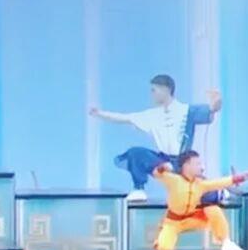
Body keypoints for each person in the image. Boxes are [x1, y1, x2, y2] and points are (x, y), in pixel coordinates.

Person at [89, 77, 223, 200]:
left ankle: (218, 193)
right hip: (162, 160)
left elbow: (212, 110)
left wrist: (216, 104)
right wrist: (100, 114)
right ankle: (139, 189)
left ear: (165, 90)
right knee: (136, 153)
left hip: (182, 162)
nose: (152, 94)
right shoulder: (152, 115)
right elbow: (125, 118)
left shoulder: (188, 110)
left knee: (200, 194)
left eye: (154, 90)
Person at [148, 154, 248, 250]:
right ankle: (160, 240)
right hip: (173, 222)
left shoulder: (200, 184)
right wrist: (162, 167)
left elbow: (217, 183)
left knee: (212, 209)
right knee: (164, 249)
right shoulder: (174, 180)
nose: (201, 167)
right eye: (197, 164)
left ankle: (226, 241)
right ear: (187, 165)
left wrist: (237, 178)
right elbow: (157, 174)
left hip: (193, 219)